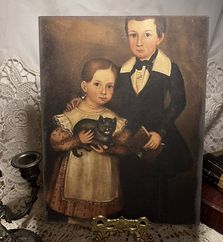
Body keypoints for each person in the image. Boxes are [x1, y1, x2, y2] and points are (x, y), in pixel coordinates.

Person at [66, 16, 192, 222]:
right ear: (127, 36)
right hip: (128, 137)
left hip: (155, 138)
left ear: (160, 37)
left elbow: (179, 102)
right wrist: (80, 101)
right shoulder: (122, 71)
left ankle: (153, 228)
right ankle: (128, 228)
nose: (139, 42)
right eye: (133, 35)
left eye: (147, 35)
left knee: (154, 186)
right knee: (129, 183)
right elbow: (109, 98)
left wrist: (160, 131)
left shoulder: (169, 68)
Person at [46, 58, 128, 221]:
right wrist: (78, 140)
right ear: (84, 86)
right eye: (97, 84)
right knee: (74, 221)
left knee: (99, 220)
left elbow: (125, 148)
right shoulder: (71, 115)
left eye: (109, 86)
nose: (104, 91)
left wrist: (110, 149)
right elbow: (56, 144)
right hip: (76, 176)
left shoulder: (113, 118)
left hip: (103, 177)